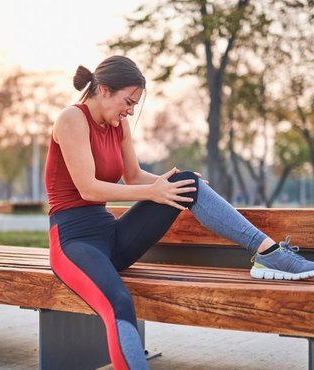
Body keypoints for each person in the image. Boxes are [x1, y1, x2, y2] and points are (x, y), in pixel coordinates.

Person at [44, 55, 314, 370]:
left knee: (186, 182)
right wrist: (154, 190)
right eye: (128, 101)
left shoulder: (119, 127)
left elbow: (133, 177)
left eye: (134, 104)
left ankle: (270, 253)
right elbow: (88, 188)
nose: (130, 110)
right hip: (74, 243)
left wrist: (170, 183)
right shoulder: (71, 119)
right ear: (103, 89)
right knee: (119, 304)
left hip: (112, 237)